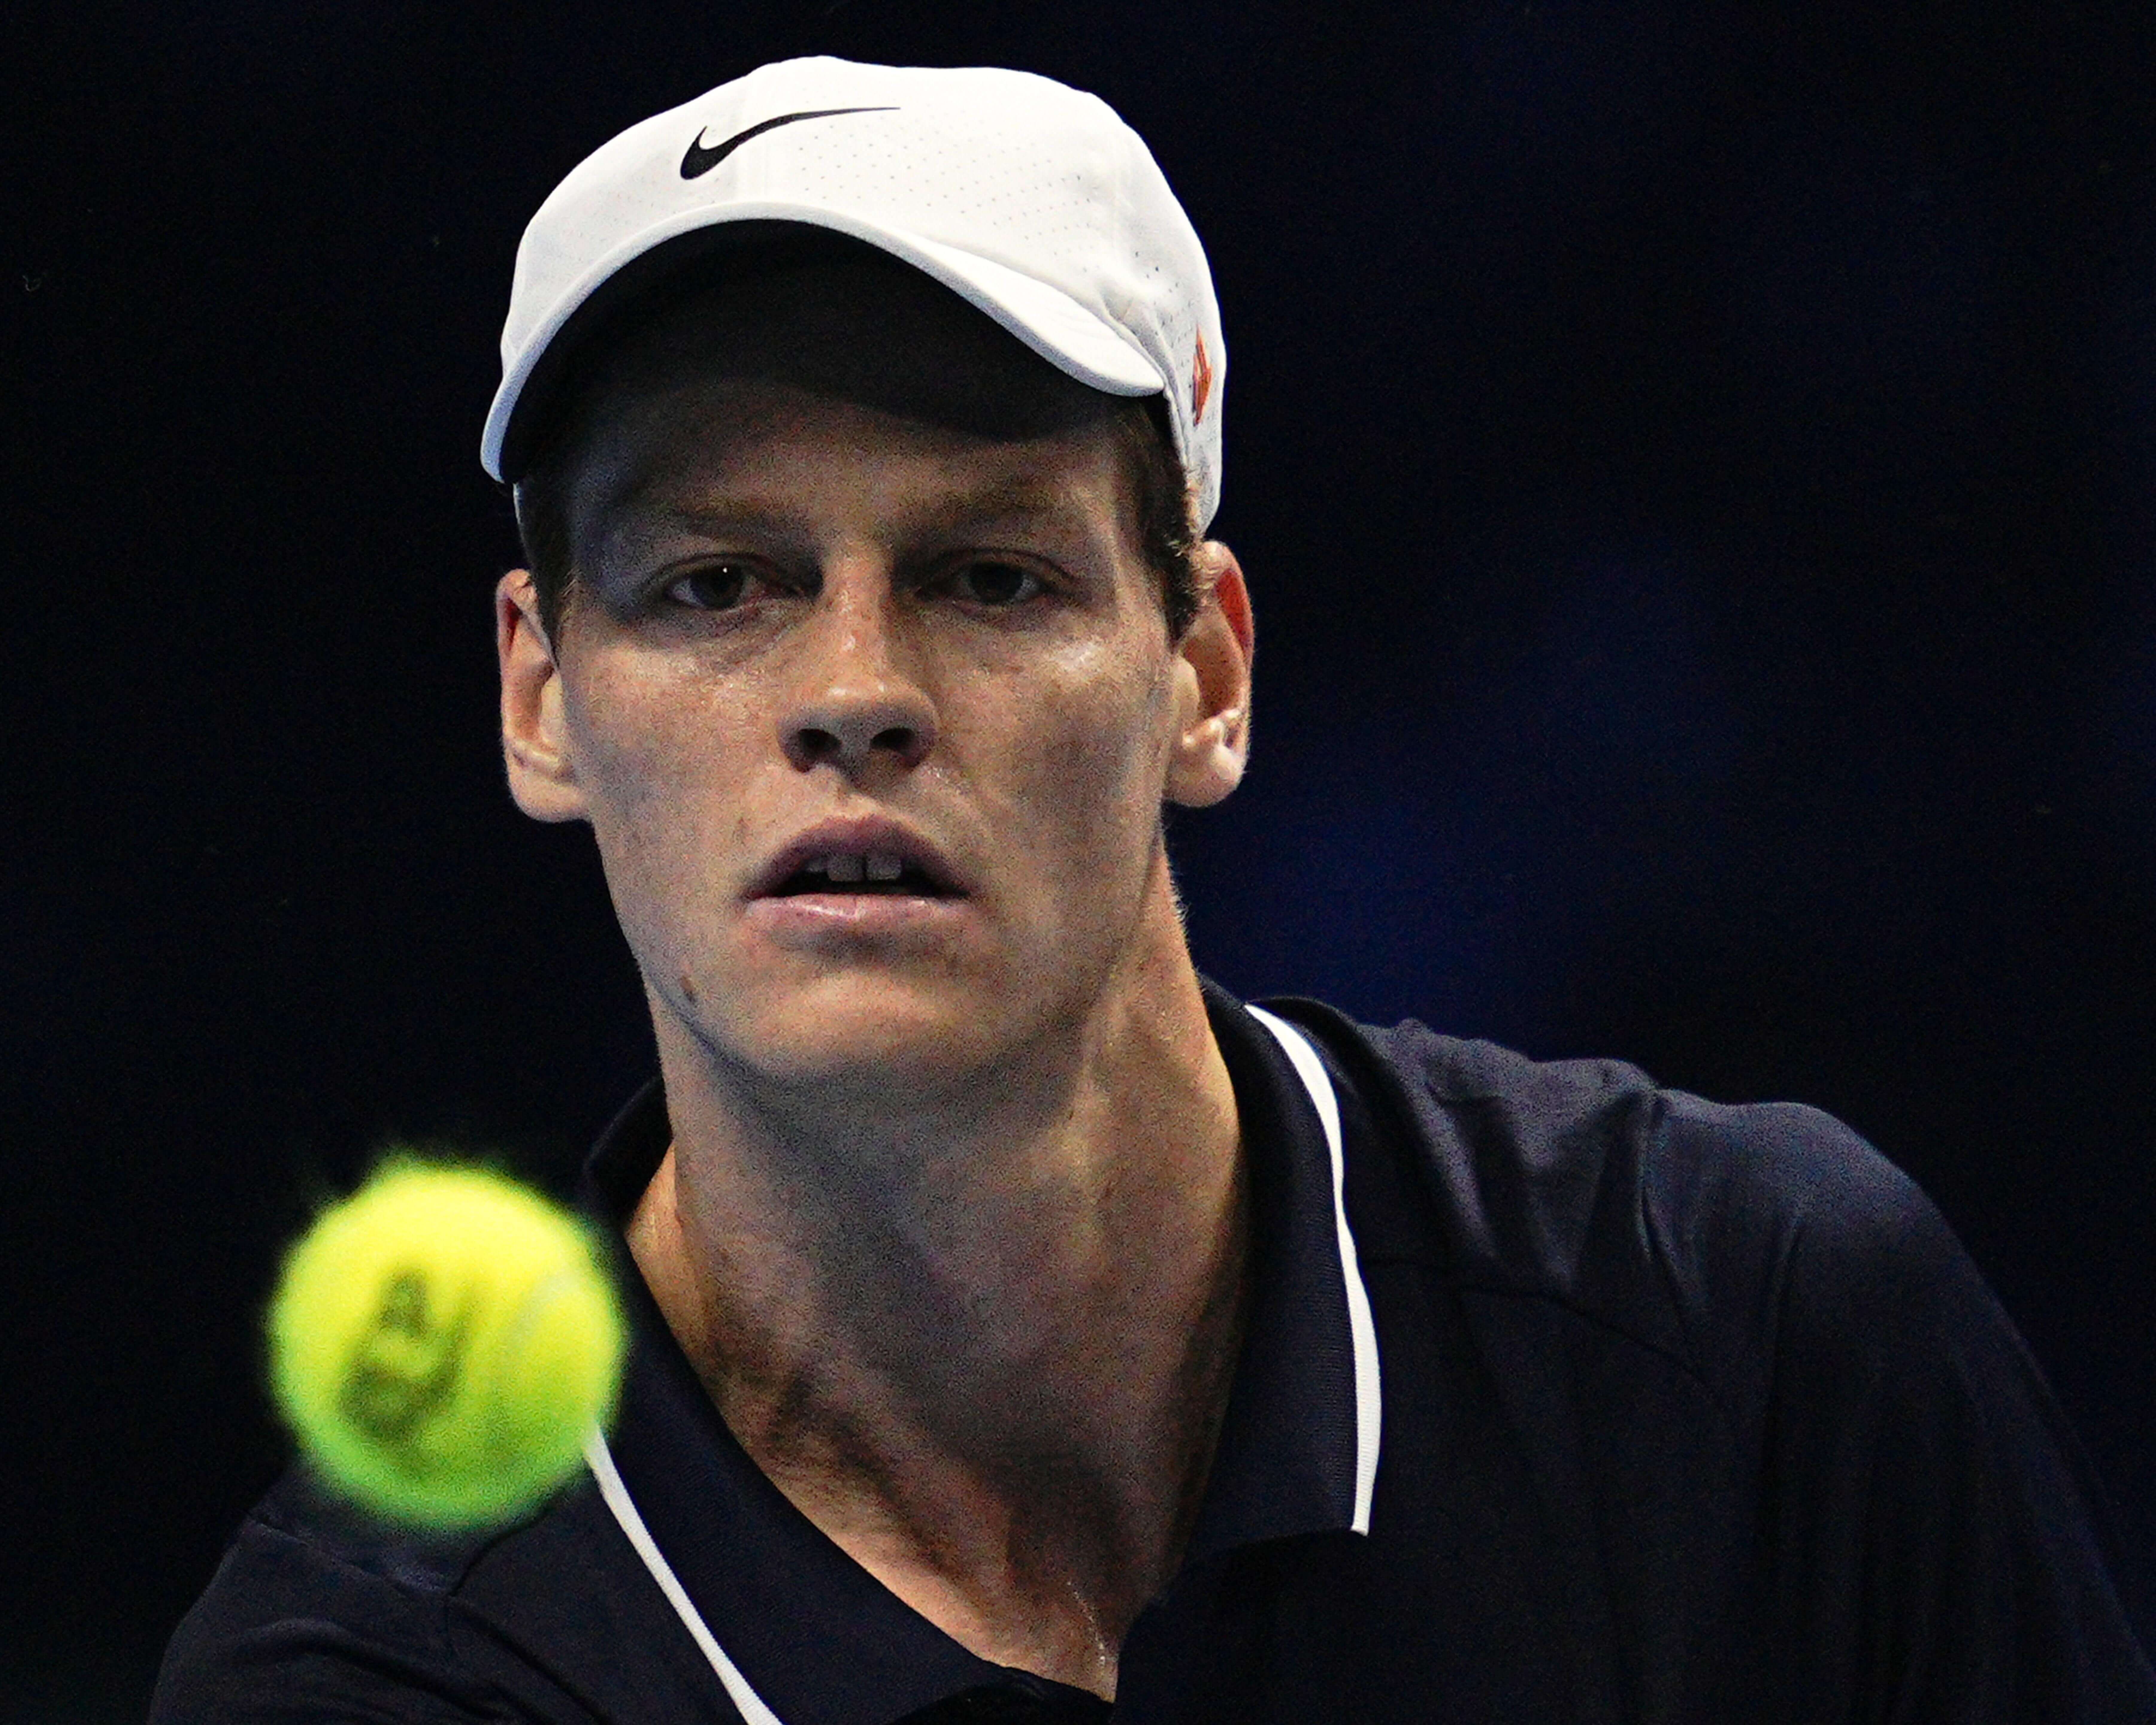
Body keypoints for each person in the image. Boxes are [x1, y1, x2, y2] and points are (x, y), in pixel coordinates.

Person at [153, 58, 2153, 1722]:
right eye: (715, 585)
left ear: (1204, 672)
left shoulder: (1760, 1338)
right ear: (541, 700)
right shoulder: (375, 1682)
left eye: (990, 576)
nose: (852, 691)